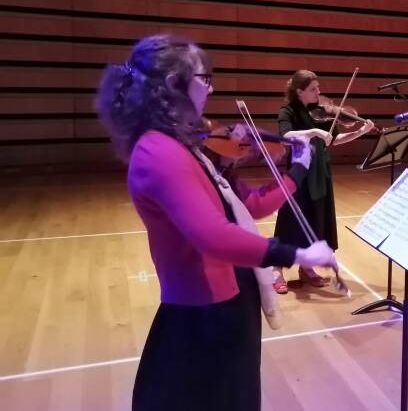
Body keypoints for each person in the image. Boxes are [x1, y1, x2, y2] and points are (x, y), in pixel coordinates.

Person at [96, 34, 337, 411]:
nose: (210, 88)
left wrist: (297, 171)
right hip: (201, 306)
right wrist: (297, 253)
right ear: (173, 86)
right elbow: (211, 235)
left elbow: (250, 207)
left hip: (232, 292)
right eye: (203, 78)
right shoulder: (159, 152)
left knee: (236, 394)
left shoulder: (187, 144)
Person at [272, 70, 375, 292]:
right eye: (313, 89)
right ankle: (277, 270)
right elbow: (287, 136)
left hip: (321, 175)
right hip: (298, 175)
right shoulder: (287, 111)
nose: (319, 92)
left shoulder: (321, 112)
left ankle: (307, 269)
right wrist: (315, 131)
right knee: (290, 223)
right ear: (299, 92)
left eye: (318, 88)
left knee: (315, 221)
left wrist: (360, 132)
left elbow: (334, 141)